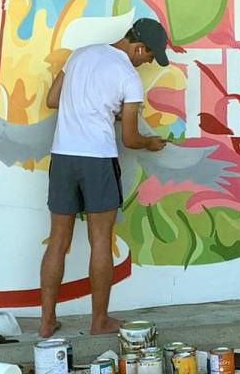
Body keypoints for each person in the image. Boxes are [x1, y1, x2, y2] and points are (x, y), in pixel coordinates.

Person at [40, 18, 169, 336]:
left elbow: (53, 100)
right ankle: (99, 321)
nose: (148, 62)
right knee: (100, 241)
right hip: (97, 160)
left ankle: (46, 323)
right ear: (139, 47)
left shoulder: (80, 55)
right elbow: (131, 138)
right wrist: (150, 143)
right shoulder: (128, 76)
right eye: (150, 56)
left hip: (63, 156)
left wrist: (90, 109)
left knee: (58, 240)